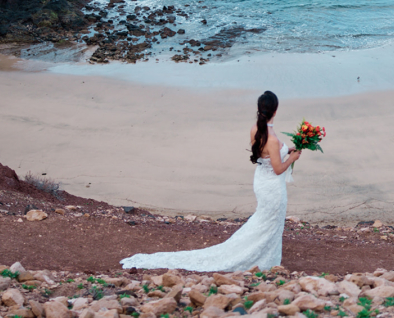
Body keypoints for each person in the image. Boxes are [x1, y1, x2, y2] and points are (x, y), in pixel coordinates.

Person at [120, 90, 302, 271]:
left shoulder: (256, 129)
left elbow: (267, 155)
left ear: (259, 108)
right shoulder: (271, 137)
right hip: (272, 186)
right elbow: (278, 169)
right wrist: (291, 159)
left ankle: (262, 254)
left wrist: (287, 150)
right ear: (275, 111)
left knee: (263, 220)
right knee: (269, 222)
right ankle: (260, 258)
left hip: (261, 181)